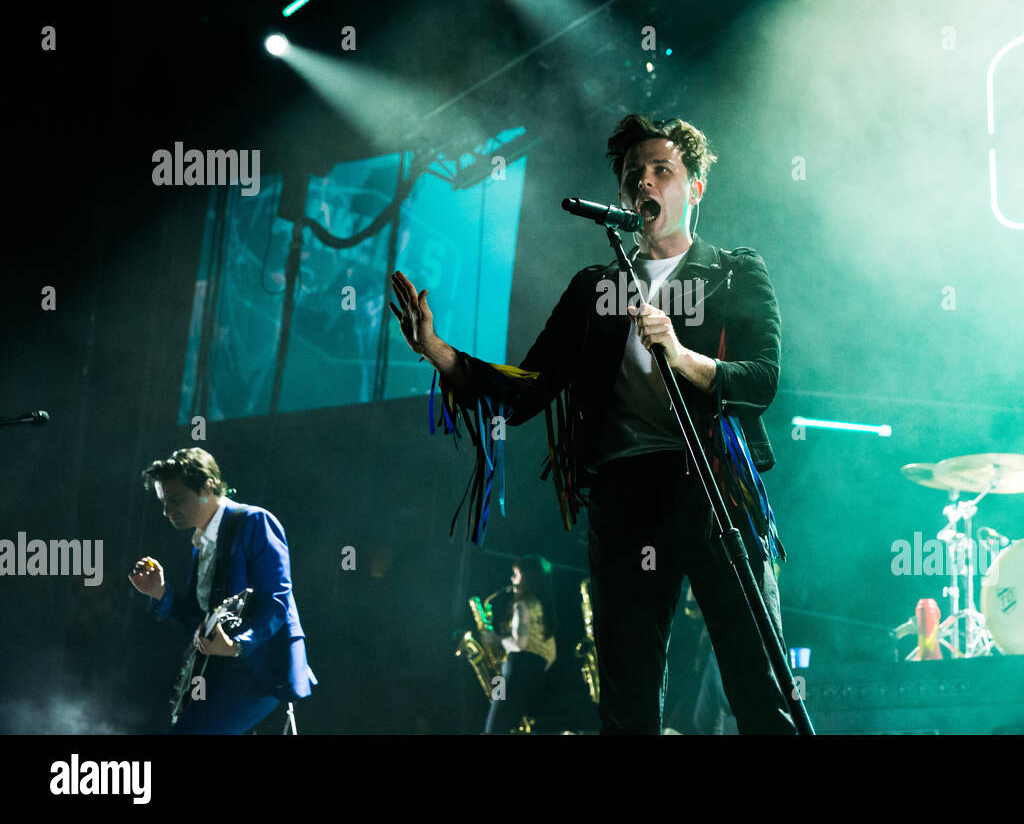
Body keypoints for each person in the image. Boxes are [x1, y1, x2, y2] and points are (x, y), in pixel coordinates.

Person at [391, 114, 795, 734]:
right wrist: (438, 353)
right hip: (626, 496)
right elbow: (527, 390)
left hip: (714, 489)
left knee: (754, 681)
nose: (646, 182)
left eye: (663, 169)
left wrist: (683, 357)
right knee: (627, 696)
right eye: (635, 174)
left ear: (695, 189)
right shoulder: (595, 289)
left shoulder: (734, 271)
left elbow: (761, 380)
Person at [129, 447, 317, 733]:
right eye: (163, 502)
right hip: (219, 670)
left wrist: (238, 644)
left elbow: (278, 603)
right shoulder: (201, 544)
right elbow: (202, 619)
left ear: (208, 487)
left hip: (260, 670)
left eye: (175, 500)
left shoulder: (254, 522)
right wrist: (160, 592)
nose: (167, 512)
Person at [483, 555, 558, 734]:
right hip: (535, 675)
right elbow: (552, 655)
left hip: (513, 670)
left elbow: (520, 644)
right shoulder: (545, 609)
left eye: (515, 575)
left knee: (493, 729)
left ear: (527, 578)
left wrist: (495, 639)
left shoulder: (523, 605)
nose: (512, 579)